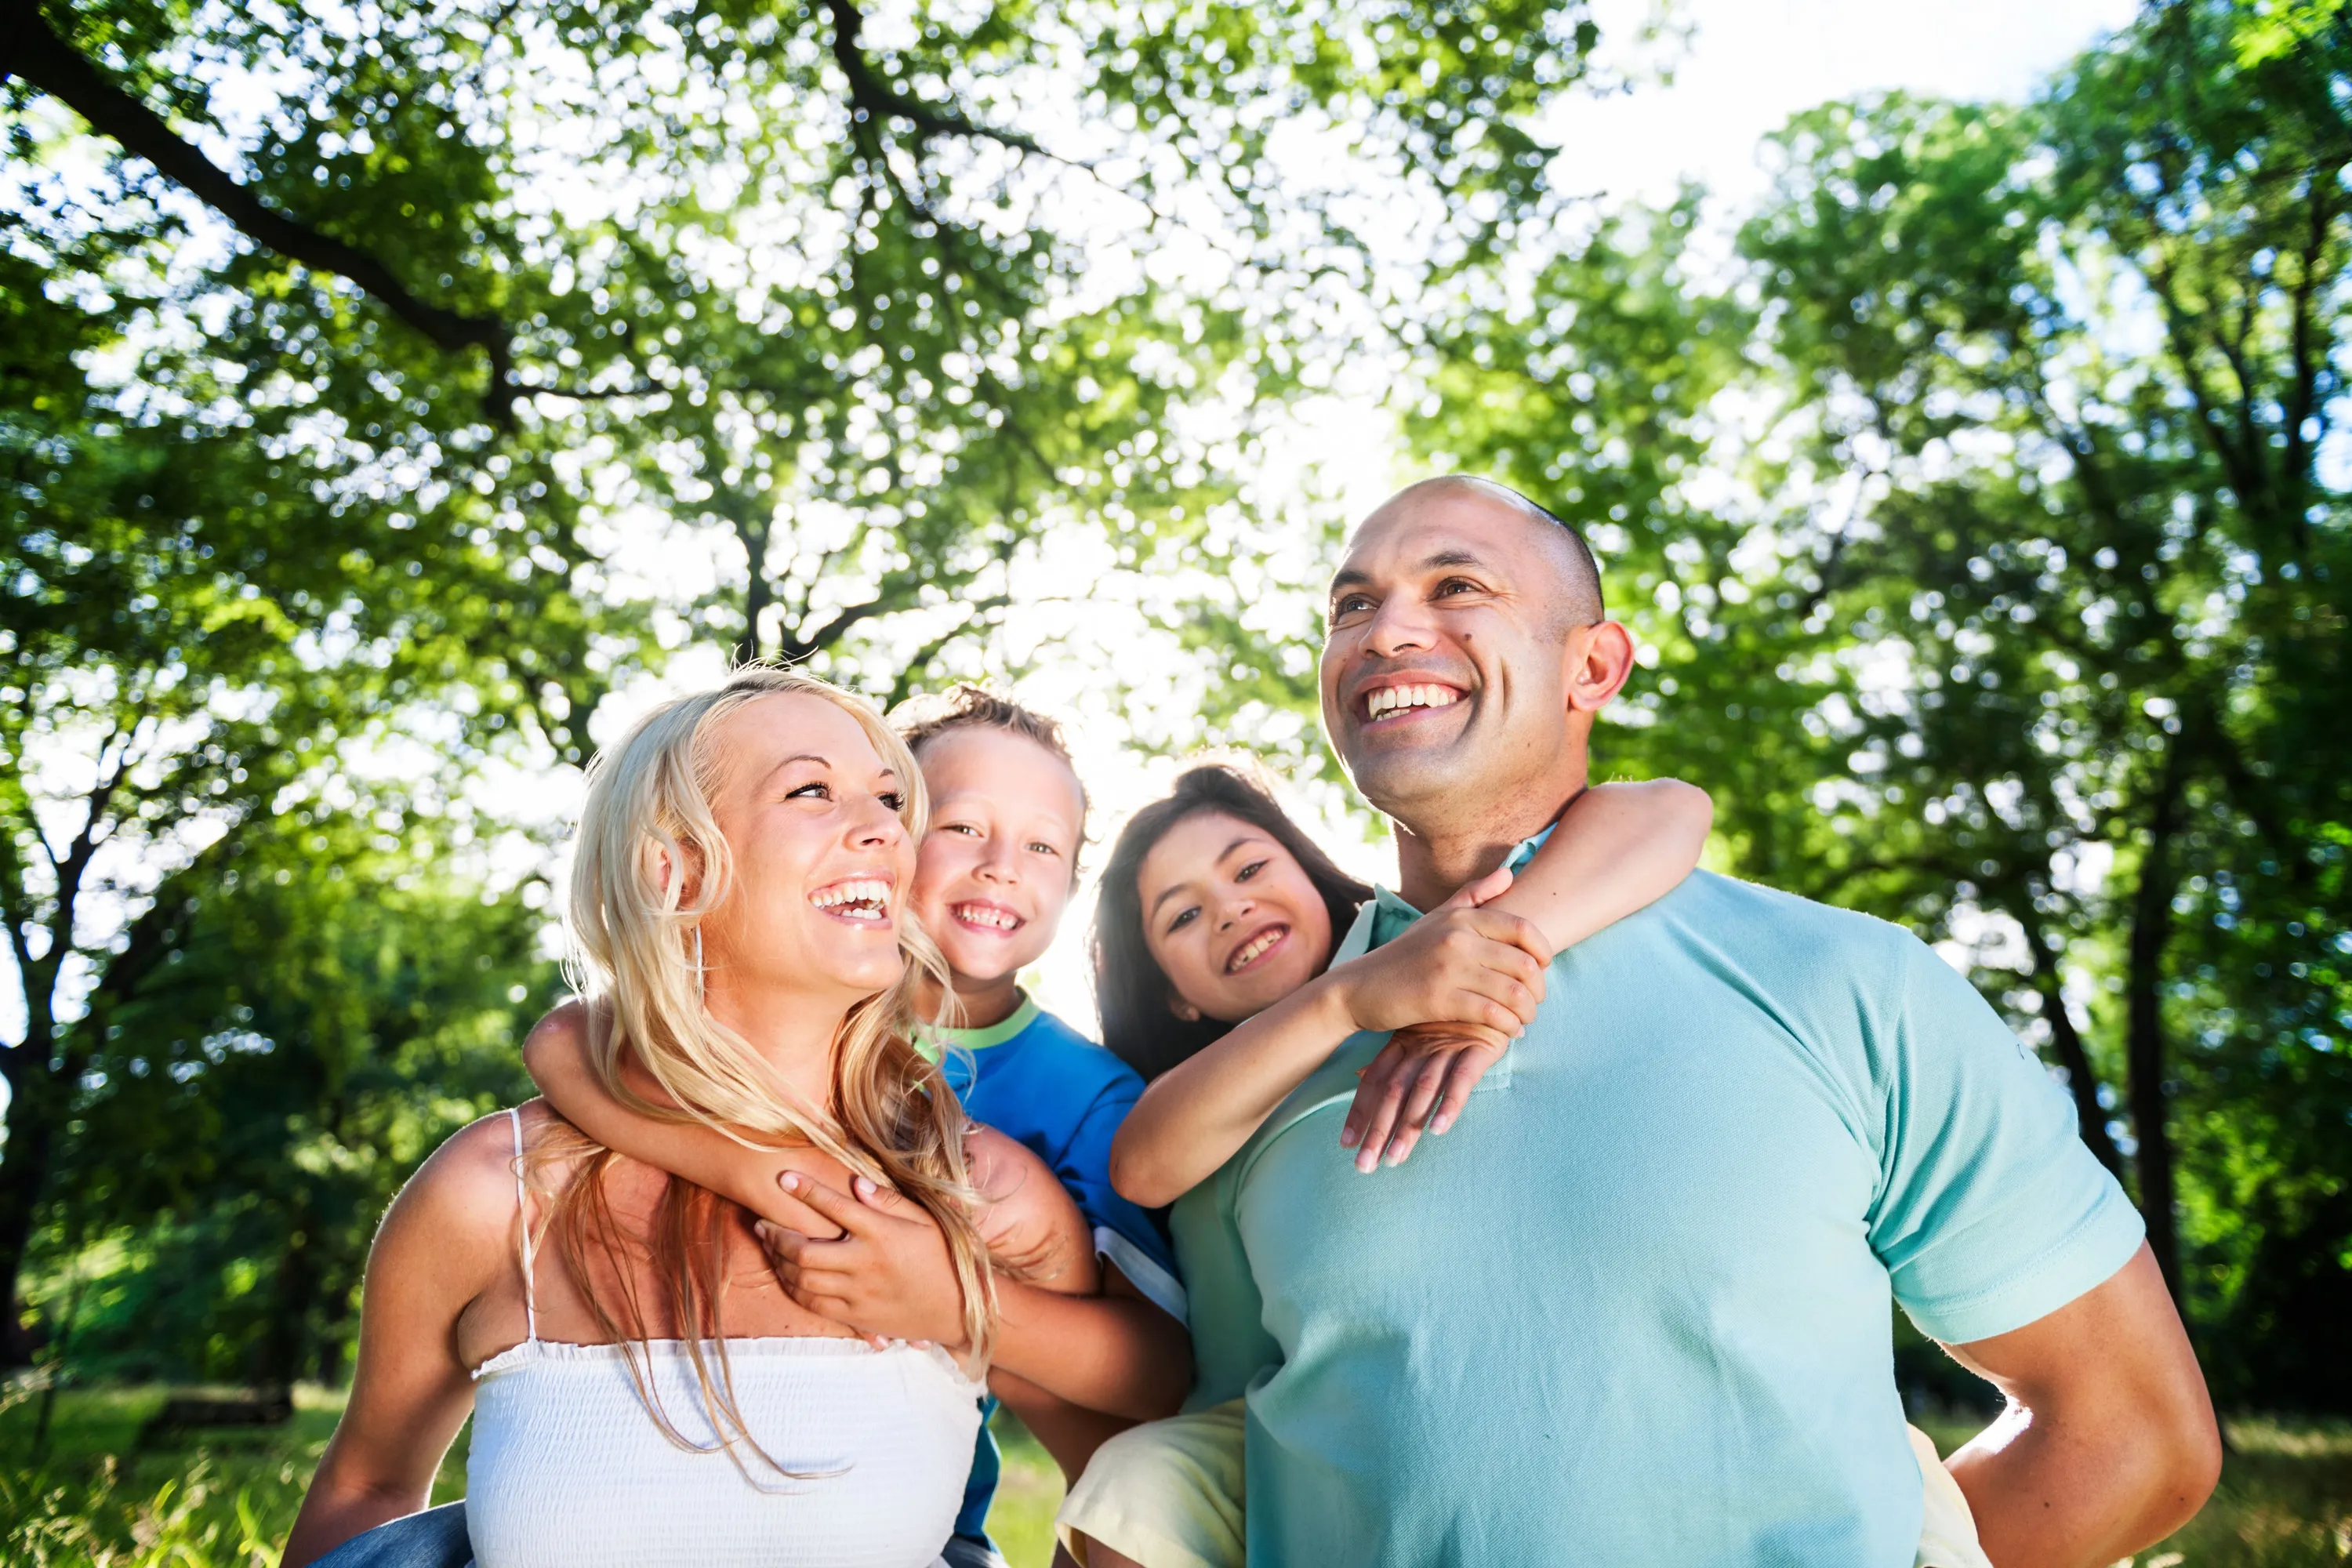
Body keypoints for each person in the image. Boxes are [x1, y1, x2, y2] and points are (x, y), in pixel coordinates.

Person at [1101, 477, 2223, 1568]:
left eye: (1456, 587)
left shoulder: (1848, 982)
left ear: (1593, 666)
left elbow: (2132, 1436)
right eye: (1352, 605)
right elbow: (1213, 1469)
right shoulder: (1250, 1087)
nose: (1389, 627)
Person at [283, 666, 1097, 1568]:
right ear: (673, 867)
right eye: (812, 789)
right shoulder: (495, 1194)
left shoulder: (973, 1192)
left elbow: (1139, 1471)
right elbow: (364, 1489)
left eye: (891, 798)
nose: (885, 830)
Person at [523, 687, 1190, 1564]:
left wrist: (955, 1301)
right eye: (961, 825)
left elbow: (1159, 1370)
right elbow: (567, 1036)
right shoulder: (792, 989)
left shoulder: (1087, 1097)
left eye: (1043, 845)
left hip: (923, 1506)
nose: (1001, 866)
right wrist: (746, 1164)